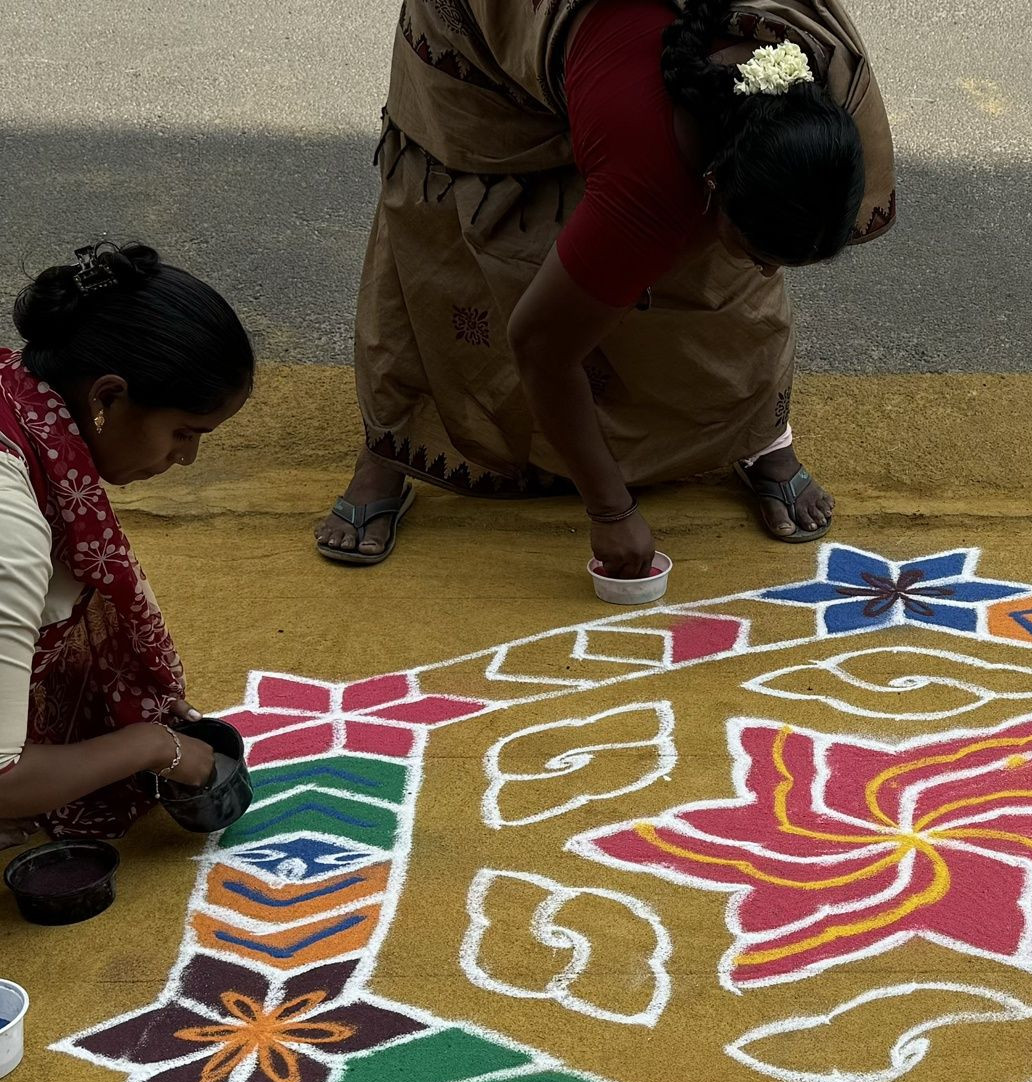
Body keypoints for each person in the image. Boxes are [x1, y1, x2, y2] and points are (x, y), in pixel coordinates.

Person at [316, 0, 894, 575]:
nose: (772, 274)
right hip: (494, 29)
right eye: (765, 254)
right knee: (461, 218)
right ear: (711, 182)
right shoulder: (651, 177)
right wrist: (610, 511)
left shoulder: (821, 84)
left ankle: (760, 437)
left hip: (625, 63)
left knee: (721, 273)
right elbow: (541, 346)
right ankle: (393, 446)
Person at [0, 242, 254, 846]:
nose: (186, 458)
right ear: (108, 398)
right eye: (183, 433)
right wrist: (152, 745)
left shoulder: (17, 399)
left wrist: (133, 695)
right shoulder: (10, 525)